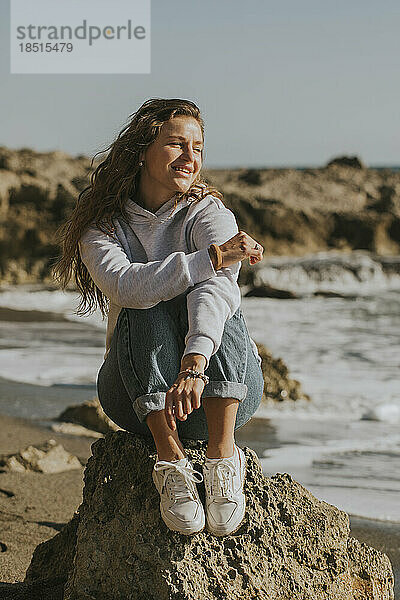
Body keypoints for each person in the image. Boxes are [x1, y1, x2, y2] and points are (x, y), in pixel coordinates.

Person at [53, 98, 265, 537]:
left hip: (219, 395)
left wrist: (194, 363)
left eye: (198, 147)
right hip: (132, 395)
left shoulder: (208, 211)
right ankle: (169, 459)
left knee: (220, 301)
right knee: (143, 303)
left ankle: (223, 456)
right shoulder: (104, 225)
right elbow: (126, 286)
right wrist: (212, 257)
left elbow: (217, 287)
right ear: (143, 149)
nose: (191, 158)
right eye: (176, 144)